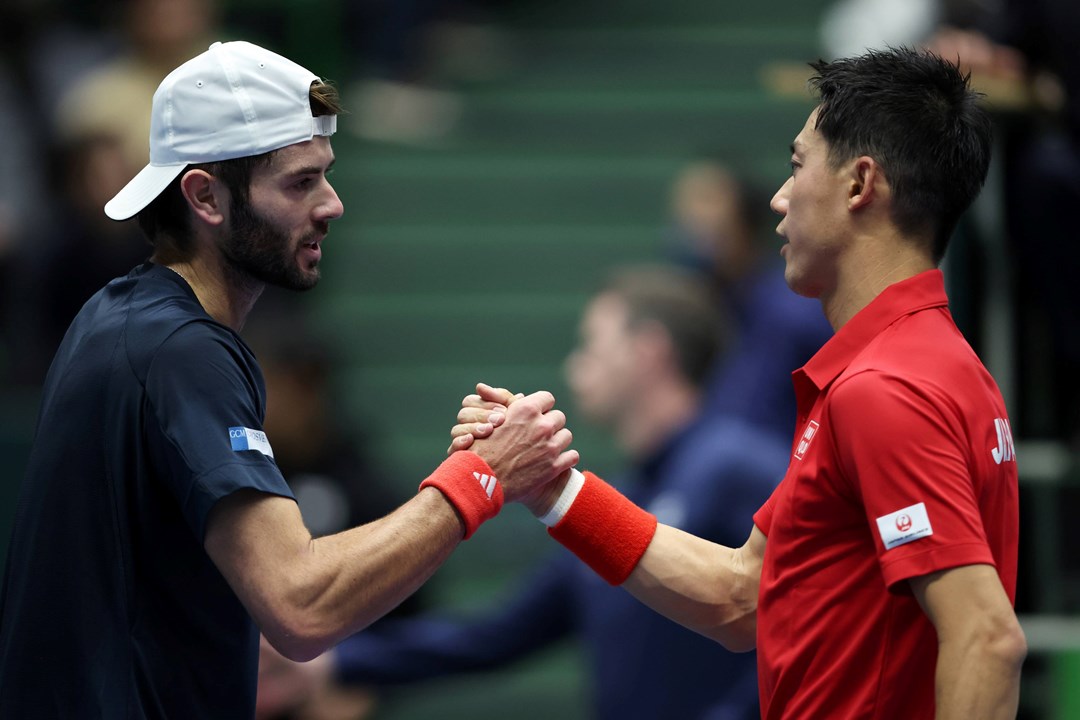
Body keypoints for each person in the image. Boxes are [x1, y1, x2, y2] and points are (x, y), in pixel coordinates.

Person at [0, 40, 576, 719]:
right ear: (205, 196)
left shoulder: (123, 317)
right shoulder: (181, 349)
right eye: (300, 182)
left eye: (326, 175)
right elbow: (301, 604)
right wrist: (481, 478)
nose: (331, 205)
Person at [454, 47, 1026, 719]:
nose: (779, 200)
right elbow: (742, 594)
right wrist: (554, 487)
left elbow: (986, 637)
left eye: (796, 166)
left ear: (859, 184)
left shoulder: (886, 387)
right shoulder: (933, 366)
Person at [257, 264, 788, 720]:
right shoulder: (613, 502)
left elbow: (804, 617)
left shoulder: (737, 464)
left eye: (591, 345)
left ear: (648, 353)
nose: (574, 367)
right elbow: (496, 634)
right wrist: (334, 661)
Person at [666, 159, 833, 440]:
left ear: (744, 215)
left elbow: (746, 418)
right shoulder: (712, 302)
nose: (690, 217)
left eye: (706, 200)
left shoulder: (789, 309)